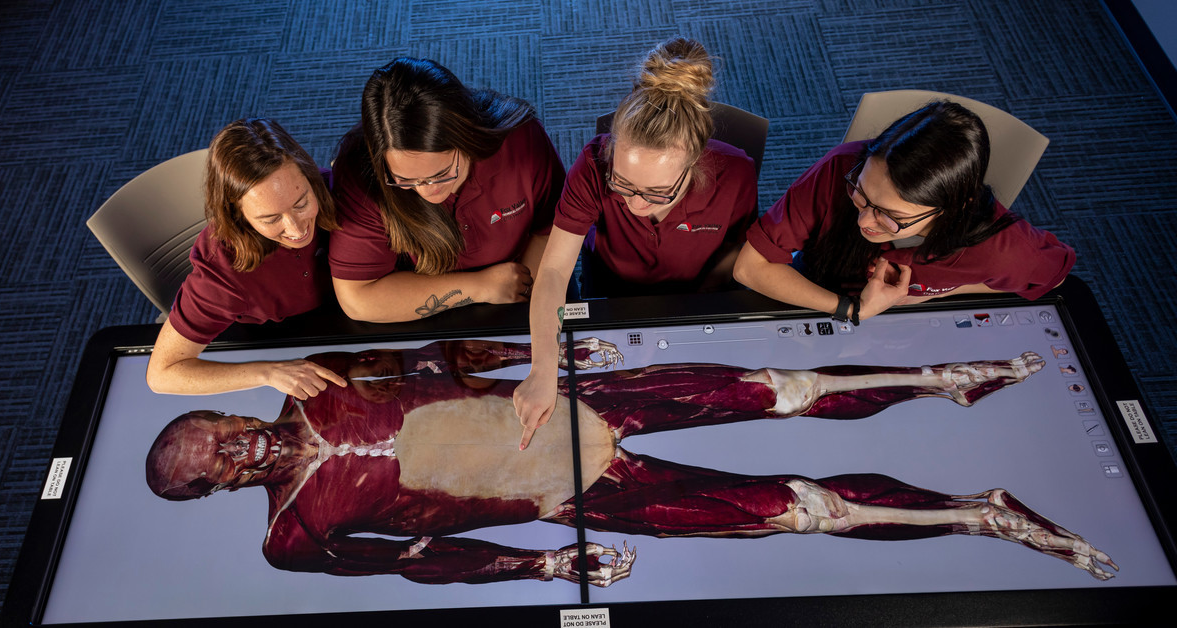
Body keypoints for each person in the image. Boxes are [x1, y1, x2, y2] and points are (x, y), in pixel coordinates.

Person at [145, 341, 1116, 585]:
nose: (233, 445)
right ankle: (983, 514)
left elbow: (431, 362)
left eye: (219, 426)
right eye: (214, 461)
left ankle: (948, 375)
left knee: (786, 384)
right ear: (210, 491)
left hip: (574, 403)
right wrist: (535, 566)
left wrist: (546, 358)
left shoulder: (308, 381)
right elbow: (409, 562)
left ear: (231, 406)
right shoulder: (292, 535)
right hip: (567, 491)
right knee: (800, 510)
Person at [515, 38, 757, 438]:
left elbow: (735, 251)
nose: (635, 204)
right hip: (610, 291)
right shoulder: (594, 161)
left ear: (696, 162)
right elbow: (555, 270)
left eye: (658, 192)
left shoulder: (736, 172)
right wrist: (542, 368)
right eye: (623, 184)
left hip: (692, 299)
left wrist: (696, 316)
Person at [734, 101, 1074, 324]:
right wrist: (853, 309)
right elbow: (751, 267)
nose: (863, 220)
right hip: (815, 295)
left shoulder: (1003, 249)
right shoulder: (841, 166)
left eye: (889, 214)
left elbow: (1053, 277)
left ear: (952, 210)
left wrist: (940, 292)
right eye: (861, 192)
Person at [329, 57, 565, 322]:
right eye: (406, 180)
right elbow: (358, 299)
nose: (427, 191)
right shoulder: (361, 174)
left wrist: (522, 300)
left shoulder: (520, 140)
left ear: (466, 136)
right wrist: (480, 287)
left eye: (441, 174)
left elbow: (553, 230)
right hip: (419, 308)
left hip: (522, 286)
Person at [146, 118, 347, 399]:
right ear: (238, 215)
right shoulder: (222, 268)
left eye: (301, 203)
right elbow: (162, 374)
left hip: (351, 322)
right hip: (279, 340)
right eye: (271, 218)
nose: (297, 228)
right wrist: (268, 372)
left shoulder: (338, 191)